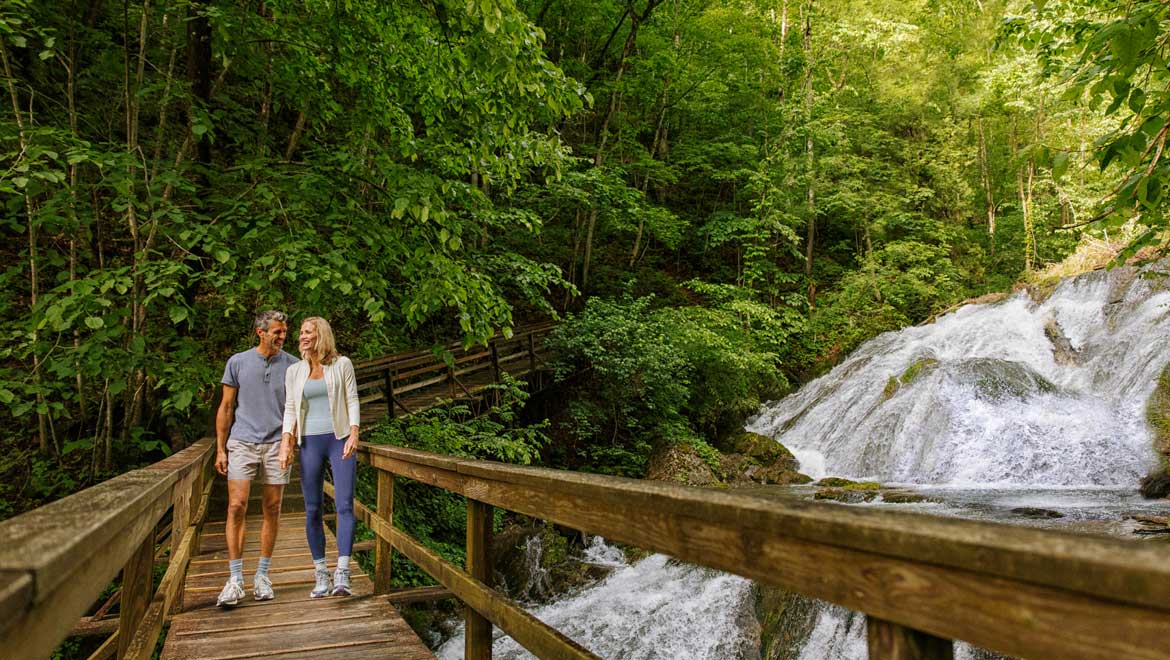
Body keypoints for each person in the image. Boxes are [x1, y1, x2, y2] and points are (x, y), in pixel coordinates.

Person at [215, 310, 299, 607]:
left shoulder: (293, 365)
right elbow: (226, 407)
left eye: (284, 331)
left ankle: (262, 575)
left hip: (277, 443)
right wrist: (220, 448)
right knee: (236, 505)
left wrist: (290, 443)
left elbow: (297, 409)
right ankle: (235, 579)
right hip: (242, 442)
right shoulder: (237, 362)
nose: (282, 336)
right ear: (260, 332)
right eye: (277, 331)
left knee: (272, 507)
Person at [279, 316, 360, 597]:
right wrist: (286, 441)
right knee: (313, 508)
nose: (302, 337)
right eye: (301, 332)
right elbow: (290, 407)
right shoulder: (295, 371)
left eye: (308, 332)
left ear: (321, 336)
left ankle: (343, 573)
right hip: (309, 442)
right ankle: (321, 574)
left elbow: (352, 399)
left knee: (344, 504)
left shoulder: (342, 365)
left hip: (338, 439)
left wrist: (354, 432)